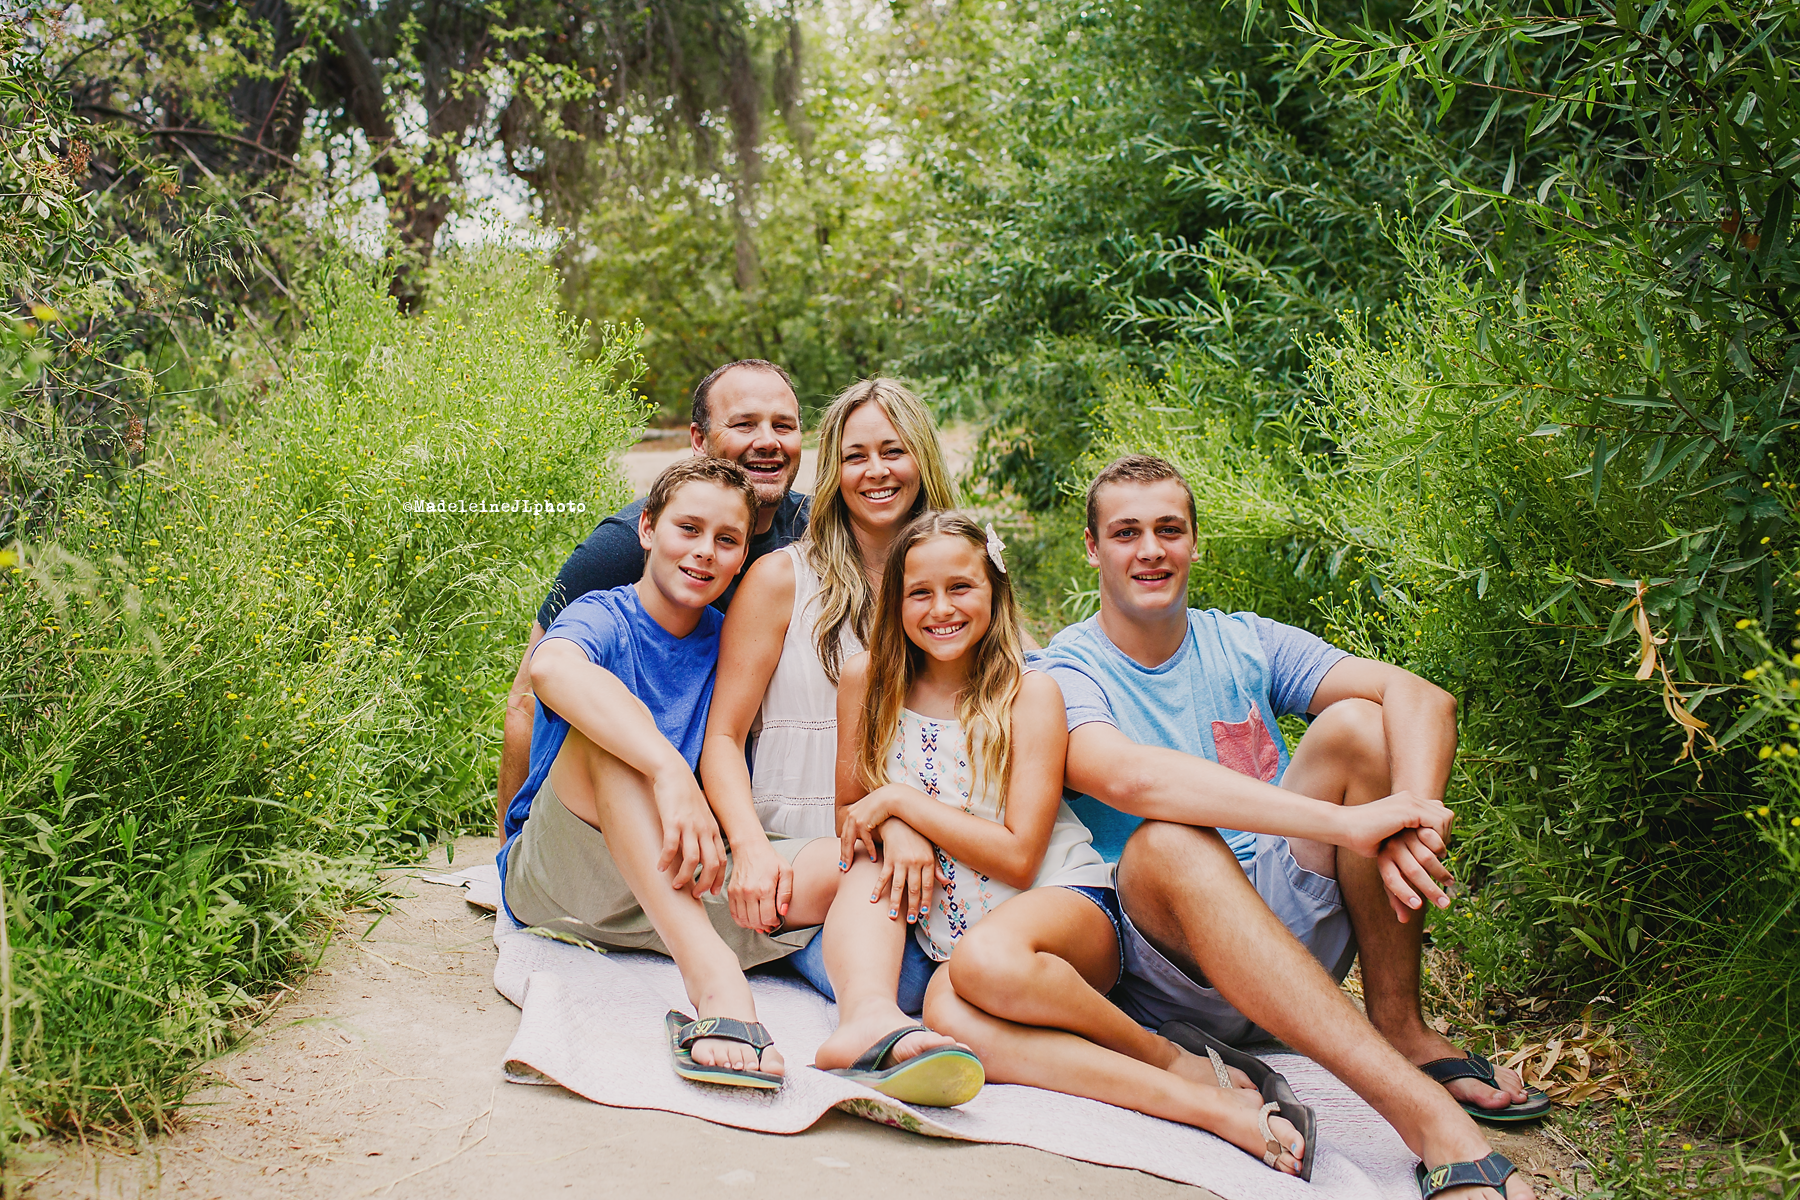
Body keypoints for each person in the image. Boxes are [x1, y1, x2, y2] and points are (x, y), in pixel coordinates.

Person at [952, 453, 1535, 1198]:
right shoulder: (1063, 671)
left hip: (1291, 925)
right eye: (1126, 533)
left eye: (1169, 529)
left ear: (1195, 542)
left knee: (1361, 727)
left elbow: (1422, 698)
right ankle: (1431, 1125)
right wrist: (1345, 823)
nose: (1150, 550)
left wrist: (1412, 818)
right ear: (1093, 549)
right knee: (1167, 840)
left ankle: (1401, 1024)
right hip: (1173, 968)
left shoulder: (1243, 640)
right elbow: (1129, 778)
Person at [809, 511, 1309, 1153]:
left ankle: (1165, 1056)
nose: (941, 609)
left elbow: (1020, 857)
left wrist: (904, 803)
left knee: (986, 961)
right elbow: (851, 813)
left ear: (995, 589)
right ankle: (1202, 1106)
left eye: (960, 587)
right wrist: (896, 825)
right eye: (919, 593)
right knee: (944, 1008)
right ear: (894, 602)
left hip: (1063, 906)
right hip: (954, 942)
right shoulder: (868, 679)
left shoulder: (1029, 693)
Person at [497, 457, 821, 1086]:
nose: (704, 551)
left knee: (846, 866)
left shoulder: (733, 639)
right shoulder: (603, 615)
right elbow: (549, 669)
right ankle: (717, 985)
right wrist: (668, 769)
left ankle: (878, 1016)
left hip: (675, 877)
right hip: (565, 877)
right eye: (687, 529)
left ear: (742, 557)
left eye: (726, 540)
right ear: (647, 528)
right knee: (605, 744)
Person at [497, 359, 808, 827]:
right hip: (596, 810)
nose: (768, 440)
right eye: (744, 424)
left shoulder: (817, 534)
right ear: (699, 440)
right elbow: (526, 699)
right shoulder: (625, 547)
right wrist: (511, 848)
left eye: (783, 425)